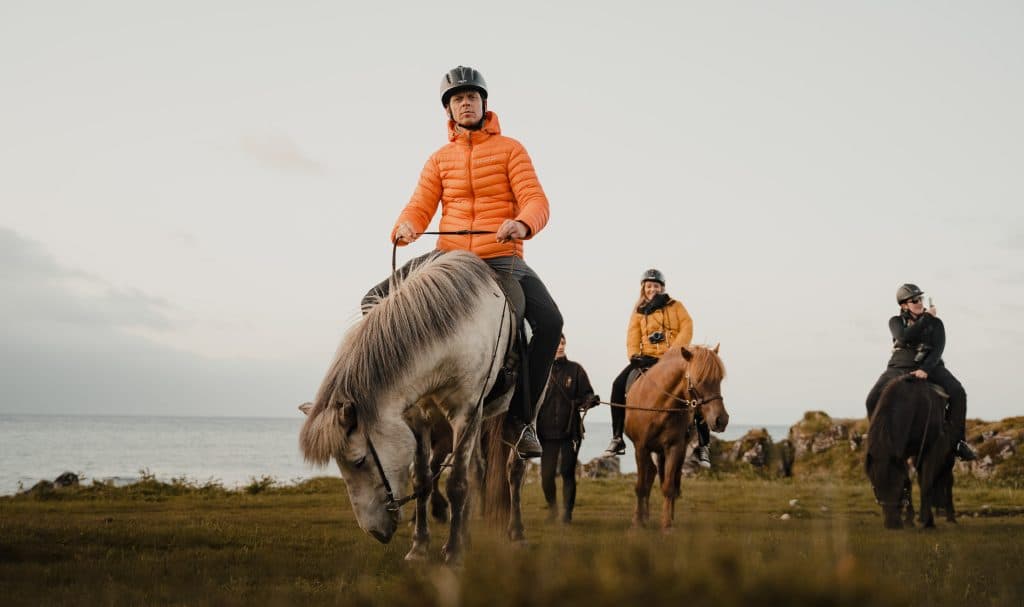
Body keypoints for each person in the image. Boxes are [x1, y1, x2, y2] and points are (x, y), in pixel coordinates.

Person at [362, 66, 562, 459]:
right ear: (449, 111)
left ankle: (522, 422)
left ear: (484, 104)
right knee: (373, 300)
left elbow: (537, 201)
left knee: (550, 322)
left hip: (501, 258)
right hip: (450, 258)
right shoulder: (439, 159)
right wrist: (405, 226)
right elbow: (420, 205)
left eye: (471, 97)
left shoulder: (511, 149)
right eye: (457, 99)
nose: (465, 103)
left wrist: (522, 224)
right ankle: (385, 399)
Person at [603, 269, 710, 467]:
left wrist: (674, 352)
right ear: (644, 288)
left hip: (673, 358)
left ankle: (703, 444)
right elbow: (632, 335)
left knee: (697, 388)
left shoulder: (676, 306)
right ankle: (617, 438)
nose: (653, 288)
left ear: (662, 288)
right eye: (649, 285)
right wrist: (633, 355)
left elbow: (687, 326)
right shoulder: (638, 312)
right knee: (617, 385)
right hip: (646, 359)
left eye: (656, 285)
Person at [865, 283, 976, 461]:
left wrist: (925, 369)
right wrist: (927, 318)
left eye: (920, 299)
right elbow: (904, 337)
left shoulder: (937, 323)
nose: (919, 302)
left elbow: (938, 348)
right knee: (871, 399)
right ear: (903, 305)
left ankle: (957, 441)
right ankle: (877, 439)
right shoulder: (895, 321)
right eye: (914, 300)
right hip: (899, 367)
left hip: (930, 366)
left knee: (958, 392)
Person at [536, 334, 598, 524]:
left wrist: (589, 400)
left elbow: (588, 394)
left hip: (570, 432)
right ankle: (553, 509)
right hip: (546, 433)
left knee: (567, 472)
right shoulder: (540, 371)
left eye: (562, 343)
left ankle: (567, 515)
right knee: (546, 475)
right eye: (556, 343)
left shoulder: (576, 370)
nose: (560, 346)